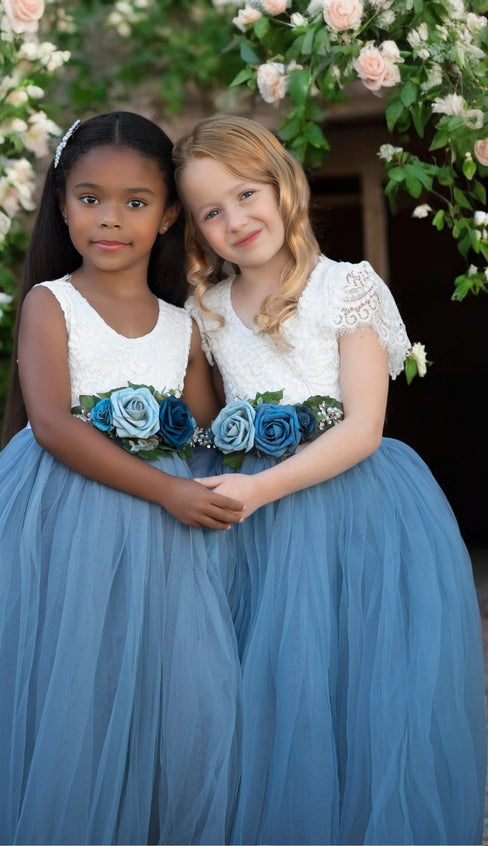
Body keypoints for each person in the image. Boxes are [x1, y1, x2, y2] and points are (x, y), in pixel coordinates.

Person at [0, 111, 245, 846]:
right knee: (71, 678)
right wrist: (169, 490)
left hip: (160, 552)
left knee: (151, 684)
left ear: (169, 213)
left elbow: (211, 427)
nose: (110, 219)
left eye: (135, 202)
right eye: (89, 199)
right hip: (68, 522)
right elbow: (52, 424)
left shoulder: (183, 325)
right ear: (61, 203)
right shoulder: (51, 305)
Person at [173, 114, 487, 845]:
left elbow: (362, 428)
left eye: (246, 194)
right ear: (195, 230)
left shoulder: (346, 287)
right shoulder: (208, 310)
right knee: (275, 693)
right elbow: (213, 421)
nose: (236, 220)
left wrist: (253, 489)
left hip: (356, 512)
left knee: (360, 683)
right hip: (258, 537)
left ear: (283, 184)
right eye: (211, 213)